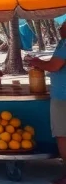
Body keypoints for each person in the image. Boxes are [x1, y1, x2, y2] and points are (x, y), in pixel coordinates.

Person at [28, 20, 66, 182]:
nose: (59, 28)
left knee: (63, 135)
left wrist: (36, 62)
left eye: (62, 26)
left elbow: (54, 66)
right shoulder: (62, 43)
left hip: (63, 97)